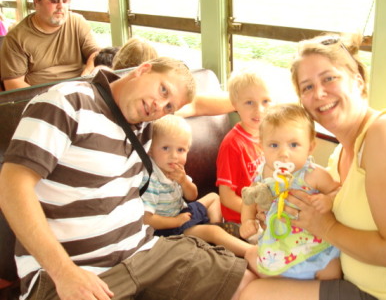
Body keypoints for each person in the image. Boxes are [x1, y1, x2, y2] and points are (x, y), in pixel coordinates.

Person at [0, 57, 256, 300]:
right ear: (143, 69)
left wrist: (252, 103)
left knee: (248, 283)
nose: (159, 106)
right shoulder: (67, 102)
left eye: (169, 107)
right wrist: (64, 272)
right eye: (163, 90)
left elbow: (198, 104)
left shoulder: (146, 123)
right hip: (76, 268)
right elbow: (11, 187)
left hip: (144, 254)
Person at [240, 33, 386, 300]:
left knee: (253, 294)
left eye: (329, 78)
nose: (319, 93)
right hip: (354, 281)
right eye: (307, 87)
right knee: (248, 280)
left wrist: (324, 227)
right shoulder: (338, 157)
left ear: (358, 81)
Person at [241, 103, 341, 280]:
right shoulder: (262, 173)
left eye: (294, 144)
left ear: (310, 147)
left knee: (332, 270)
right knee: (260, 267)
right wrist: (247, 220)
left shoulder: (313, 174)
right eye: (274, 145)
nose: (283, 154)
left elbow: (337, 190)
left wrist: (329, 200)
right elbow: (250, 200)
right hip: (278, 248)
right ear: (261, 146)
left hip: (314, 248)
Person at [141, 114, 253, 257]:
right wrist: (175, 222)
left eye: (180, 150)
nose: (174, 156)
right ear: (150, 149)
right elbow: (147, 219)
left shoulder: (176, 169)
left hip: (182, 213)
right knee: (213, 233)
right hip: (168, 230)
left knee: (214, 197)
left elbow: (192, 195)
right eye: (165, 148)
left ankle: (216, 227)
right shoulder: (151, 179)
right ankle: (249, 251)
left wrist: (184, 181)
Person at [0, 0, 99, 91]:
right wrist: (51, 98)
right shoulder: (16, 38)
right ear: (36, 1)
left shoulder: (77, 22)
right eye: (54, 1)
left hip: (81, 91)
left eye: (65, 1)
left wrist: (85, 77)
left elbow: (96, 54)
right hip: (40, 102)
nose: (61, 6)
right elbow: (13, 84)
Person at [215, 69, 273, 232]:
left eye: (266, 101)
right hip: (240, 220)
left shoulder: (268, 136)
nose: (259, 110)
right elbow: (227, 198)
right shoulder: (232, 145)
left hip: (263, 210)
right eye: (249, 102)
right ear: (235, 105)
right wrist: (254, 213)